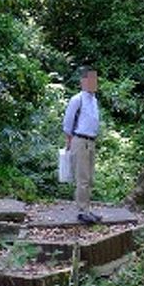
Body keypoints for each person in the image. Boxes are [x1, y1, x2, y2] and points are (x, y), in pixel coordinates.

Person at [63, 65, 101, 224]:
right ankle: (81, 211)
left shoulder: (94, 100)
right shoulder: (77, 99)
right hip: (80, 140)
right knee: (82, 178)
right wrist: (69, 141)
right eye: (90, 79)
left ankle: (87, 209)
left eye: (95, 80)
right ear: (83, 81)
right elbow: (67, 123)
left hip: (91, 141)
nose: (94, 83)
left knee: (90, 178)